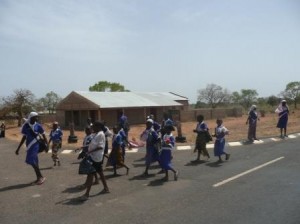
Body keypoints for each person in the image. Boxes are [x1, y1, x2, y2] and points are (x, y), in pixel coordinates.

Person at [15, 112, 48, 185]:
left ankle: (41, 177)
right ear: (31, 118)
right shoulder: (26, 126)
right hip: (29, 146)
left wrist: (47, 145)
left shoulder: (38, 125)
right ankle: (39, 177)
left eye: (37, 117)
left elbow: (44, 135)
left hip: (36, 145)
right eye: (35, 117)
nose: (37, 118)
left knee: (31, 160)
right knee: (35, 162)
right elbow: (24, 137)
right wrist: (18, 148)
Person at [79, 121, 109, 201]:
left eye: (94, 126)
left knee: (90, 175)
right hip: (96, 157)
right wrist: (84, 147)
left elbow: (100, 147)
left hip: (95, 158)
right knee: (100, 172)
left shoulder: (101, 134)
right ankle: (106, 188)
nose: (92, 128)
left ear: (98, 127)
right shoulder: (97, 134)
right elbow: (94, 144)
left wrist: (89, 152)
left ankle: (87, 194)